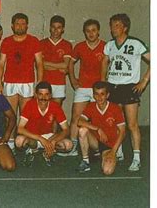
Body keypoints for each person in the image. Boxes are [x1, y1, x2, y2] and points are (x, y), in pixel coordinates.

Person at [101, 13, 150, 171]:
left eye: (117, 26)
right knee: (116, 123)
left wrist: (144, 80)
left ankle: (136, 158)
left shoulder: (135, 43)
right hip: (113, 87)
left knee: (132, 124)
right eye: (112, 25)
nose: (113, 29)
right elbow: (104, 62)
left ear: (125, 27)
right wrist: (103, 83)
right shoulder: (109, 45)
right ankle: (119, 151)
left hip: (129, 87)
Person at [0, 13, 43, 152]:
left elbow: (40, 64)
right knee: (10, 116)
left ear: (27, 25)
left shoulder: (34, 41)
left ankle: (27, 144)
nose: (20, 26)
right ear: (12, 25)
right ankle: (10, 144)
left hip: (27, 83)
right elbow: (1, 64)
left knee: (26, 117)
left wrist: (39, 85)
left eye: (23, 24)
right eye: (17, 24)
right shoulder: (7, 41)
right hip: (10, 83)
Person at [67, 19, 105, 156]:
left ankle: (98, 147)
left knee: (98, 120)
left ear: (98, 31)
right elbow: (70, 64)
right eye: (88, 31)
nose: (91, 33)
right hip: (83, 88)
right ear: (84, 32)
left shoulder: (105, 46)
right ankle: (73, 147)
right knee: (76, 117)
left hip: (99, 89)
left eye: (94, 30)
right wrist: (73, 80)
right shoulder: (79, 47)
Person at [15, 81, 72, 167]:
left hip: (49, 137)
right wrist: (40, 138)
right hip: (33, 137)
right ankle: (31, 151)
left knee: (68, 145)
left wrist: (53, 141)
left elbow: (66, 129)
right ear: (36, 95)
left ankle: (46, 153)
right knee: (19, 141)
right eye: (40, 94)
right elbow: (20, 128)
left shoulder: (55, 106)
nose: (43, 97)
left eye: (46, 94)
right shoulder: (30, 105)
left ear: (50, 95)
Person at [76, 81, 126, 175]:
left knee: (107, 171)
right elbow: (79, 121)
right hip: (97, 142)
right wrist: (98, 129)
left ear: (107, 95)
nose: (99, 97)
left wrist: (113, 151)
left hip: (111, 145)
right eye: (96, 94)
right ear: (93, 95)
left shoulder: (115, 108)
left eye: (102, 94)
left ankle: (116, 153)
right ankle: (85, 162)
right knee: (82, 130)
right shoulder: (91, 106)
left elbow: (122, 132)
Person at [40, 15, 72, 107]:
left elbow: (65, 65)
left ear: (63, 29)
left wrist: (48, 65)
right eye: (53, 27)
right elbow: (41, 65)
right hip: (45, 82)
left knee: (55, 112)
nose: (55, 30)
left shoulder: (67, 45)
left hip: (59, 83)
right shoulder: (42, 43)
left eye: (59, 28)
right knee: (43, 111)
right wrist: (58, 66)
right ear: (50, 28)